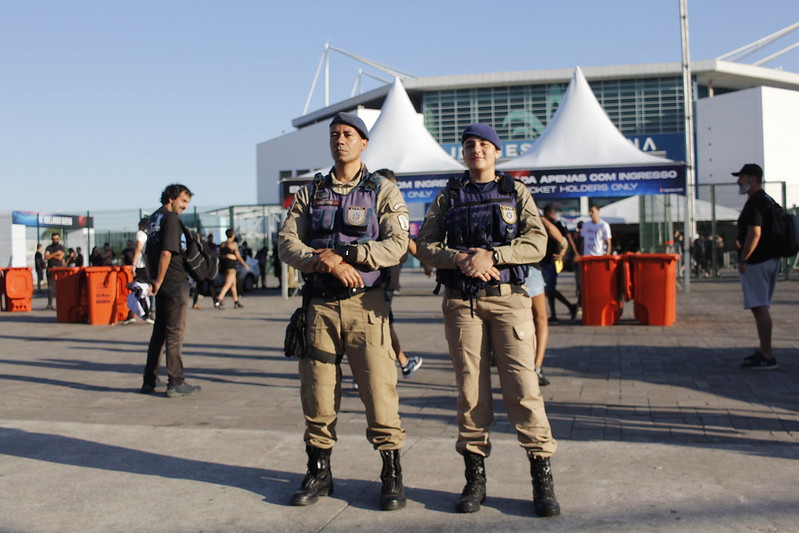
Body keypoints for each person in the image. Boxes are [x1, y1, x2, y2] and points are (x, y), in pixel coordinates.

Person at [416, 123, 560, 517]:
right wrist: (460, 259)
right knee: (470, 393)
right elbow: (425, 246)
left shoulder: (516, 192)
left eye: (483, 145)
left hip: (509, 301)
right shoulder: (448, 196)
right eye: (468, 145)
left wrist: (493, 256)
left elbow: (537, 242)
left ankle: (541, 477)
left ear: (497, 152)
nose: (476, 150)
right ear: (462, 153)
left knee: (523, 388)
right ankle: (475, 478)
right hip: (462, 303)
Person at [278, 112, 410, 511]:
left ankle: (391, 475)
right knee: (317, 393)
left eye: (348, 135)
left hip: (366, 308)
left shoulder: (382, 190)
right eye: (335, 135)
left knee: (379, 392)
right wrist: (325, 262)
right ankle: (319, 470)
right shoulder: (311, 191)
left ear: (364, 142)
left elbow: (397, 244)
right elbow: (286, 242)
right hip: (319, 306)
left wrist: (351, 254)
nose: (340, 141)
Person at [141, 183, 201, 398]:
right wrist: (158, 279)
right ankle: (176, 382)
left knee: (158, 333)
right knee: (175, 333)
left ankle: (149, 379)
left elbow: (147, 252)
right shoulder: (171, 218)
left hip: (161, 283)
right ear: (171, 198)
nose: (185, 206)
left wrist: (153, 279)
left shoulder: (153, 219)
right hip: (174, 281)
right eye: (183, 201)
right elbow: (167, 252)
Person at [374, 168, 423, 378]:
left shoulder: (386, 208)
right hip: (380, 279)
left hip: (383, 279)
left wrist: (427, 261)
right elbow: (407, 242)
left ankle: (401, 362)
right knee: (379, 325)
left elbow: (406, 240)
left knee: (383, 323)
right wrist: (427, 261)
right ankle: (375, 369)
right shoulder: (378, 209)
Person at [733, 163, 781, 370]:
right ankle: (764, 350)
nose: (738, 181)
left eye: (741, 177)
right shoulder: (768, 200)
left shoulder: (755, 203)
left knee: (760, 307)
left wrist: (744, 258)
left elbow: (755, 233)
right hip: (769, 259)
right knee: (761, 306)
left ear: (751, 179)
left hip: (758, 262)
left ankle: (767, 354)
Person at [540, 205, 577, 323]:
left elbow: (566, 240)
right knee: (550, 289)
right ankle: (554, 314)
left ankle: (571, 306)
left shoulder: (557, 224)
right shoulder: (550, 224)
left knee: (549, 288)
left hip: (552, 261)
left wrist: (562, 254)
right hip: (546, 260)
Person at [215, 228, 250, 309]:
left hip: (224, 264)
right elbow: (238, 256)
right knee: (228, 284)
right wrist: (245, 265)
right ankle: (219, 299)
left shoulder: (223, 244)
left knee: (233, 284)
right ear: (233, 235)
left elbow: (219, 254)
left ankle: (236, 301)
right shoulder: (233, 244)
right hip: (231, 265)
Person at [43, 233, 66, 310]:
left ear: (59, 239)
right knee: (50, 288)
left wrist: (51, 256)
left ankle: (61, 304)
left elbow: (60, 257)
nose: (55, 240)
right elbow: (46, 257)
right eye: (53, 239)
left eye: (57, 239)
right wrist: (55, 253)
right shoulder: (49, 247)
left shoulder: (61, 247)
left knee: (60, 288)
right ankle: (49, 304)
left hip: (59, 270)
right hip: (50, 269)